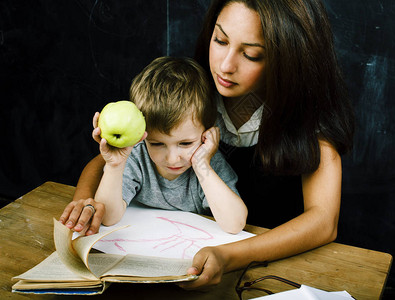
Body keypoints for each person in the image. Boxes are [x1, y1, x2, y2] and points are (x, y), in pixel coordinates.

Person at [60, 0, 354, 288]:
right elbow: (112, 159)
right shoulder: (195, 93)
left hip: (277, 265)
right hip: (187, 257)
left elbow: (323, 222)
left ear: (288, 59)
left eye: (251, 55)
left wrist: (229, 256)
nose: (226, 66)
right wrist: (86, 201)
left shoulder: (309, 119)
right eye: (220, 40)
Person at [76, 56, 247, 234]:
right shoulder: (137, 155)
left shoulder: (208, 162)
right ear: (141, 134)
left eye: (186, 143)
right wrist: (114, 166)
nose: (172, 158)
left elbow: (235, 224)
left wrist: (202, 165)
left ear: (208, 132)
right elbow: (108, 217)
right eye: (157, 144)